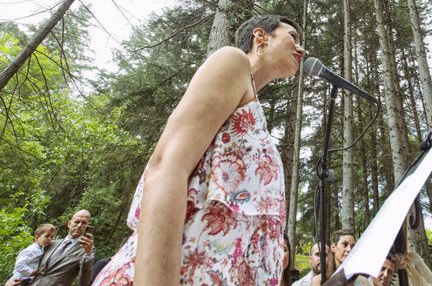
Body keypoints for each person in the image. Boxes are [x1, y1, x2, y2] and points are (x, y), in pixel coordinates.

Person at [93, 15, 305, 286]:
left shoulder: (255, 114)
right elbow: (167, 167)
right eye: (293, 37)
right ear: (261, 36)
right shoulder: (232, 61)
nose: (302, 49)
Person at [5, 210, 95, 286]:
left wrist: (88, 254)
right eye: (77, 222)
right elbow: (32, 264)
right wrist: (17, 280)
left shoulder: (87, 250)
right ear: (69, 224)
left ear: (86, 227)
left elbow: (84, 282)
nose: (79, 225)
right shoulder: (50, 243)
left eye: (84, 223)